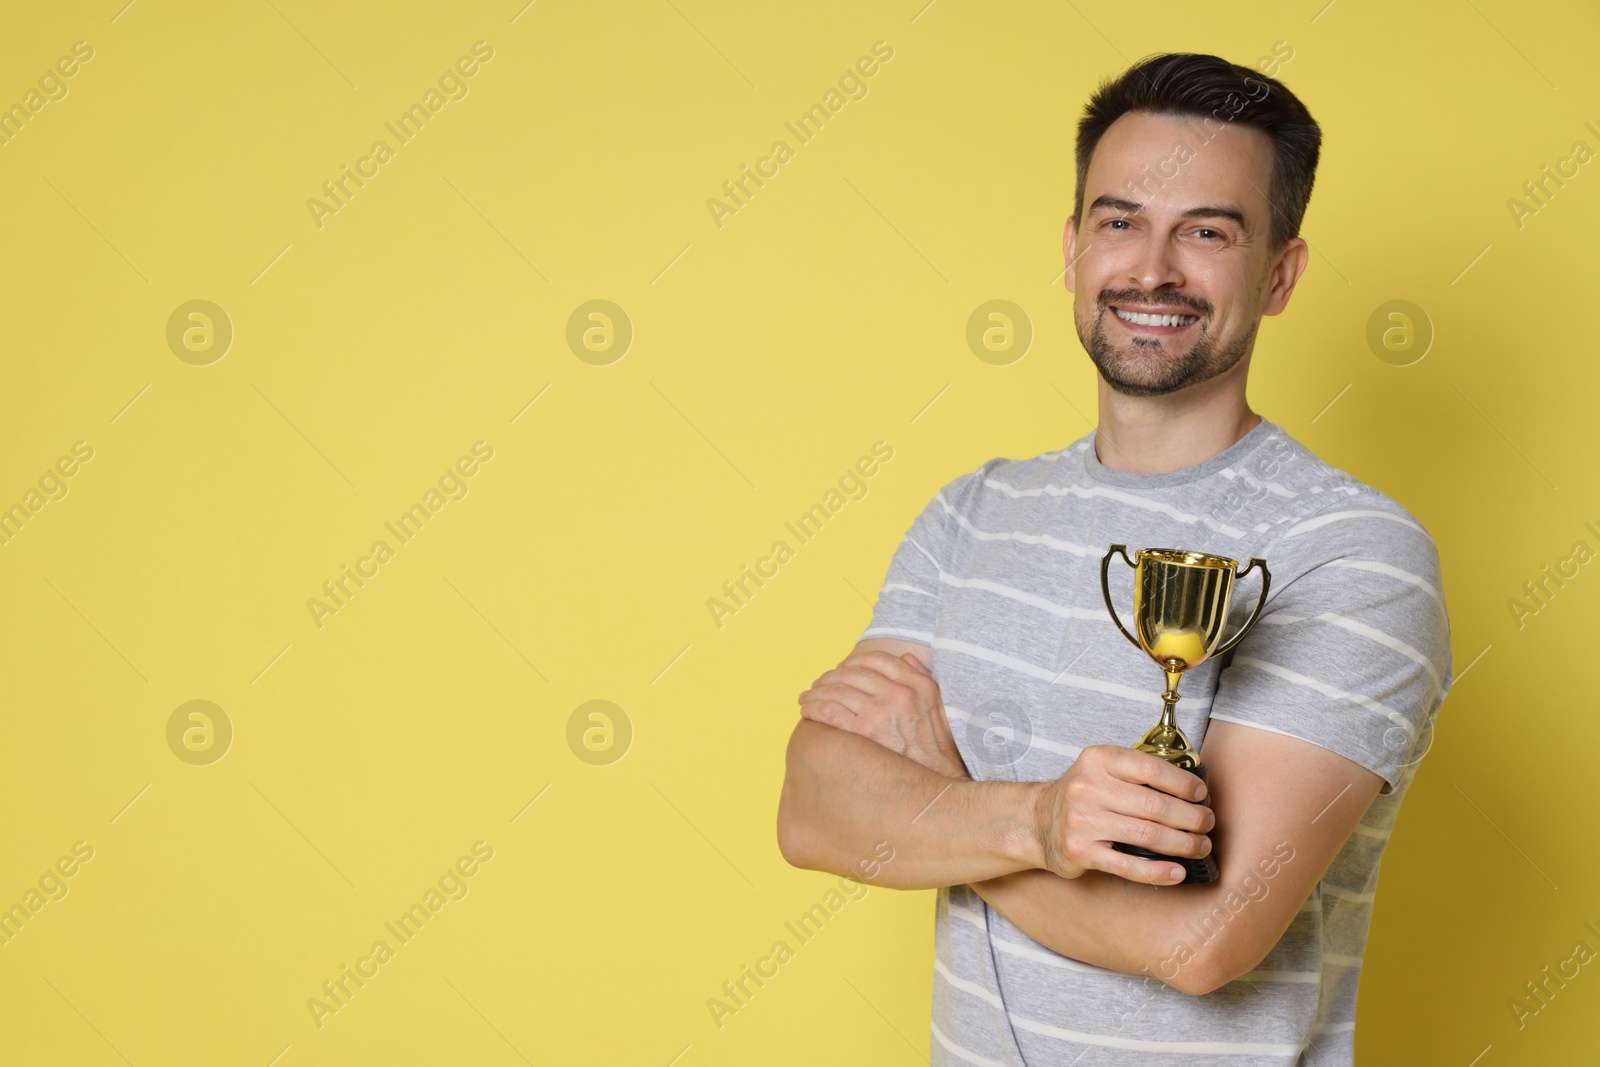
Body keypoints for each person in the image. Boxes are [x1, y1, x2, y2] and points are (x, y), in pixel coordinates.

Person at [776, 52, 1452, 1066]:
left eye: (1208, 232)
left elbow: (1197, 939)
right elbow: (814, 806)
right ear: (1071, 247)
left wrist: (943, 798)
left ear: (1279, 272)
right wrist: (1036, 822)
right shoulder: (972, 511)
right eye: (1119, 219)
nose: (1151, 270)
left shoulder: (1352, 552)